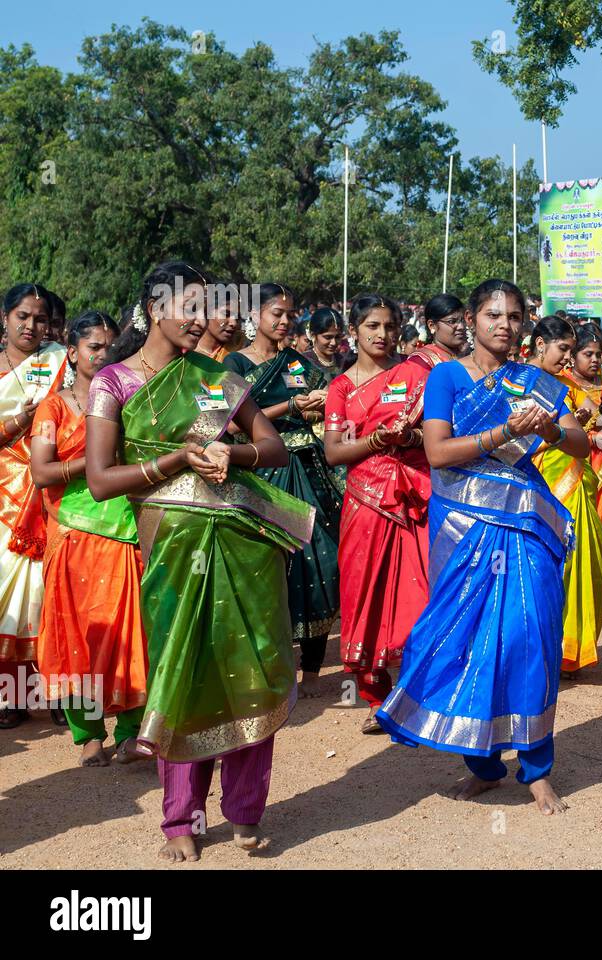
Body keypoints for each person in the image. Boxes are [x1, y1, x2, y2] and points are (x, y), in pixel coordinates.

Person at [85, 261, 312, 861]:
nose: (206, 319)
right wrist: (175, 462)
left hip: (245, 548)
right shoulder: (113, 384)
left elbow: (273, 446)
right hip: (172, 552)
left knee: (249, 667)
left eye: (209, 306)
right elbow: (102, 480)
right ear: (155, 309)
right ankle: (180, 818)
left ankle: (244, 811)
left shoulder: (215, 379)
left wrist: (230, 455)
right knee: (183, 671)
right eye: (192, 306)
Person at [376, 279, 586, 814]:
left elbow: (582, 441)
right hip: (464, 524)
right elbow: (439, 453)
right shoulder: (445, 376)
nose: (505, 325)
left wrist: (553, 432)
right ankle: (485, 765)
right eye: (493, 315)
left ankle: (537, 769)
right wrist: (503, 432)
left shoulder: (536, 382)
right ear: (471, 319)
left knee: (528, 637)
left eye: (515, 317)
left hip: (524, 524)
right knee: (464, 638)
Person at [32, 312, 148, 765]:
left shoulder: (127, 399)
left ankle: (131, 730)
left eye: (107, 347)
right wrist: (94, 459)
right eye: (92, 347)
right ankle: (87, 734)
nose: (100, 355)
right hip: (72, 528)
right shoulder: (55, 407)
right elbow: (41, 472)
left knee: (128, 629)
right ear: (72, 349)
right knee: (77, 631)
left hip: (124, 523)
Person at [224, 284, 341, 696]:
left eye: (291, 315)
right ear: (256, 316)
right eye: (277, 313)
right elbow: (234, 423)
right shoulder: (235, 363)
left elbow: (329, 407)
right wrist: (290, 407)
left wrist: (321, 404)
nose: (285, 321)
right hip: (261, 469)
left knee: (318, 563)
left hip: (308, 470)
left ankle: (311, 671)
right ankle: (269, 665)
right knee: (268, 568)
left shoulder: (297, 363)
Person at [323, 294, 430, 731]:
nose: (382, 335)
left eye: (389, 326)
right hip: (365, 500)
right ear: (355, 331)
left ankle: (419, 692)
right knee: (365, 591)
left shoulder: (418, 372)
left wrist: (411, 437)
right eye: (372, 327)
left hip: (415, 494)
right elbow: (333, 452)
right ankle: (375, 695)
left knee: (419, 590)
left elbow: (443, 430)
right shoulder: (342, 388)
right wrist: (379, 440)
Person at [0, 284, 69, 729]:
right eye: (22, 316)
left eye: (40, 319)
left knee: (53, 591)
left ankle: (61, 694)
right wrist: (19, 421)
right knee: (8, 594)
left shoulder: (62, 360)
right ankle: (11, 697)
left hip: (55, 489)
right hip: (5, 494)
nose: (31, 326)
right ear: (5, 318)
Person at [529, 317, 602, 674]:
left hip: (577, 482)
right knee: (543, 568)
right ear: (539, 345)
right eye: (563, 349)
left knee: (586, 561)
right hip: (536, 482)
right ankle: (540, 650)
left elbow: (581, 432)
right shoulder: (517, 380)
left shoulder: (567, 387)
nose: (567, 357)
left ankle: (571, 649)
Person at [194, 282, 242, 362]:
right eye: (226, 314)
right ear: (206, 311)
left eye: (237, 317)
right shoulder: (184, 350)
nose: (234, 323)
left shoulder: (241, 345)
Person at [303, 307, 345, 375]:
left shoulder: (344, 361)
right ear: (313, 335)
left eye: (337, 337)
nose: (333, 343)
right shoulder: (300, 362)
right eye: (328, 337)